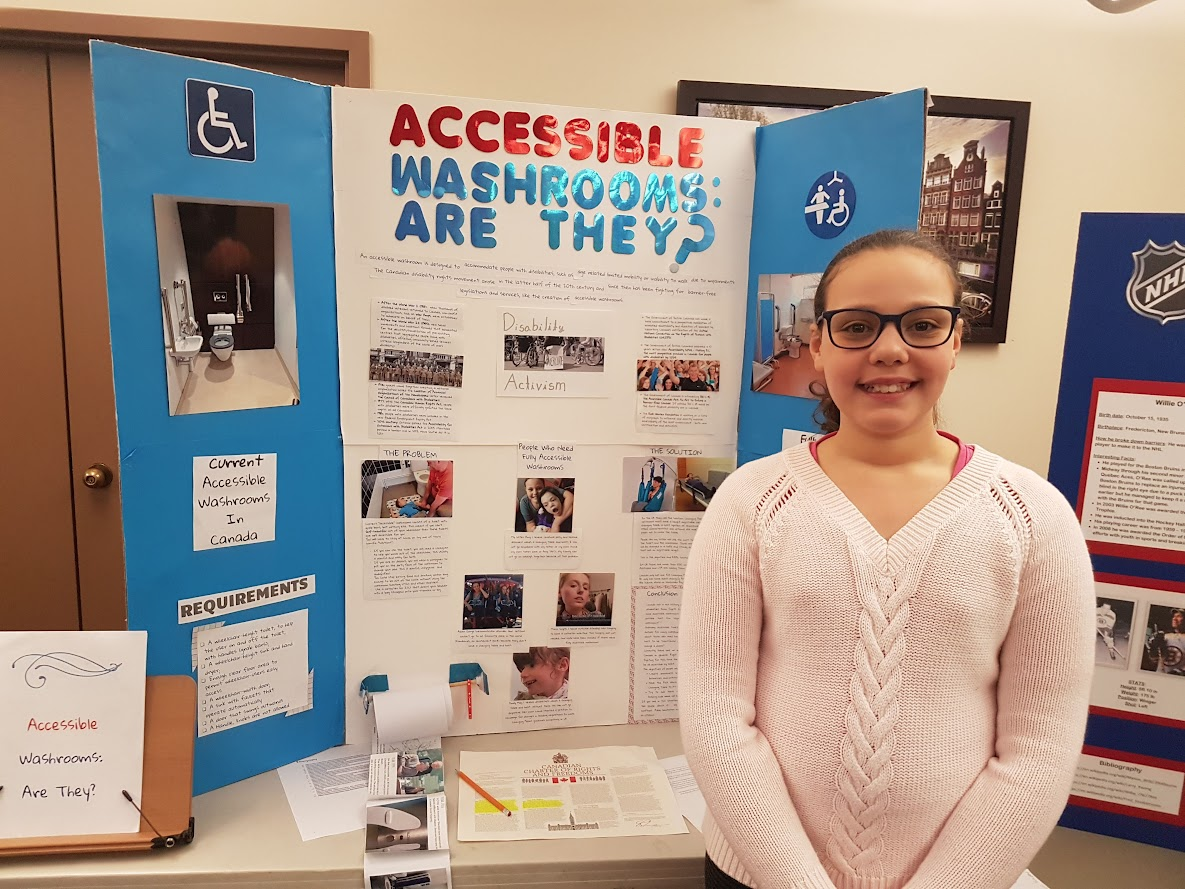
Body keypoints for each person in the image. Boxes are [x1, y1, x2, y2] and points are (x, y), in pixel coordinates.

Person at [678, 229, 1095, 889]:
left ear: (956, 341)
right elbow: (714, 717)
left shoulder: (1032, 517)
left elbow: (1037, 752)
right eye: (858, 326)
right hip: (758, 875)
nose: (890, 349)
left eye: (923, 323)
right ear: (817, 343)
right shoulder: (750, 503)